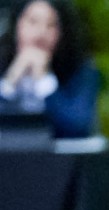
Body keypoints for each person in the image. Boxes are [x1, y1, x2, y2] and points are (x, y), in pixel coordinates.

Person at [0, 0, 98, 138]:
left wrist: (44, 79)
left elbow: (78, 127)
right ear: (16, 24)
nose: (40, 34)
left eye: (51, 25)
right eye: (33, 22)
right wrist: (10, 81)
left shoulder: (80, 70)